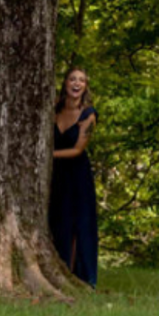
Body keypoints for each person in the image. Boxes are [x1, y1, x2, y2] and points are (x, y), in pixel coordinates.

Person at [48, 67, 100, 285]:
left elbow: (78, 149)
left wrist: (45, 156)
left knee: (78, 222)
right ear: (65, 83)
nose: (76, 84)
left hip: (77, 173)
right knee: (57, 220)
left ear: (85, 86)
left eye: (81, 80)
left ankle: (80, 275)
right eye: (72, 79)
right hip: (55, 174)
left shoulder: (89, 115)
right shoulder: (53, 109)